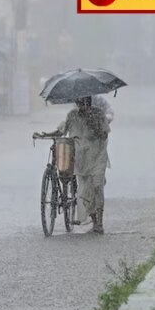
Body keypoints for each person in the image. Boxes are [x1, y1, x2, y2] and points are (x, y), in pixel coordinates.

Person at [34, 95, 110, 234]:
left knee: (97, 185)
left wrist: (95, 125)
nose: (83, 105)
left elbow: (105, 134)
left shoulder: (98, 114)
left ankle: (99, 222)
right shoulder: (72, 115)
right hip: (81, 158)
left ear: (89, 101)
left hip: (97, 155)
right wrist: (45, 134)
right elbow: (62, 130)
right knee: (84, 191)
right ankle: (94, 220)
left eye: (85, 101)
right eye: (80, 102)